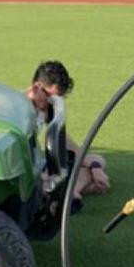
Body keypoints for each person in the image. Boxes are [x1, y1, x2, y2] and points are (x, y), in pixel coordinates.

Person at [25, 59, 111, 205]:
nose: (53, 104)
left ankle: (71, 192)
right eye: (50, 98)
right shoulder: (20, 111)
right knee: (63, 174)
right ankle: (70, 193)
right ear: (36, 87)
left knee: (97, 159)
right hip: (27, 173)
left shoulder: (43, 110)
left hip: (41, 167)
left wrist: (94, 167)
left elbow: (66, 143)